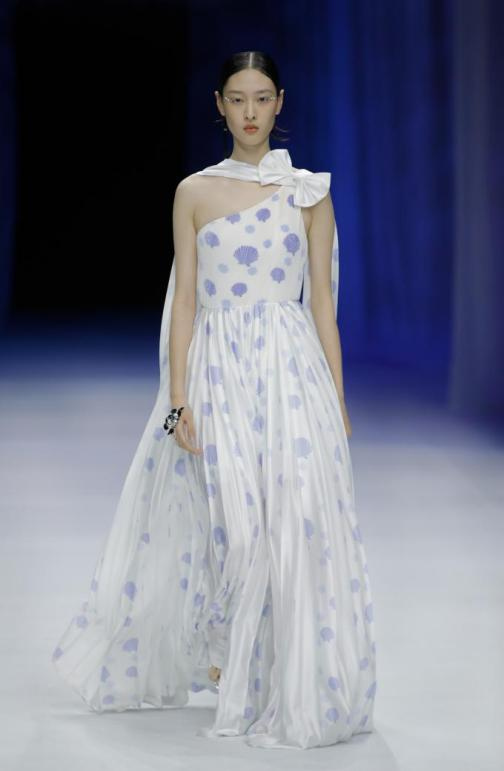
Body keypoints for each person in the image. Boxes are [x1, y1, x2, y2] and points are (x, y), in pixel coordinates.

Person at [52, 50, 377, 751]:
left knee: (294, 523)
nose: (250, 112)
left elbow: (322, 305)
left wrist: (337, 398)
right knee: (237, 529)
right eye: (237, 98)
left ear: (280, 102)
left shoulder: (308, 192)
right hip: (218, 372)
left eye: (262, 98)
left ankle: (284, 681)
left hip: (290, 371)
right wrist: (178, 398)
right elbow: (185, 301)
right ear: (220, 106)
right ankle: (238, 666)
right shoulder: (193, 192)